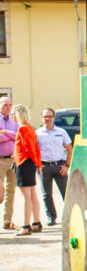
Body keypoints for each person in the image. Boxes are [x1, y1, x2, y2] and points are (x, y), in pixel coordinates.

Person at [36, 107, 73, 226]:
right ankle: (51, 217)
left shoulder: (61, 132)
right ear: (42, 118)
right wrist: (38, 166)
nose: (48, 118)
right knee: (46, 194)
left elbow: (69, 149)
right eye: (45, 116)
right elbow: (34, 151)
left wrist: (67, 165)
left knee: (66, 192)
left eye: (50, 116)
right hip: (44, 167)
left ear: (54, 117)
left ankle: (70, 216)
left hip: (59, 166)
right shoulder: (37, 134)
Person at [12, 104, 42, 236]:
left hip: (24, 163)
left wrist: (37, 163)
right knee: (33, 195)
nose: (12, 116)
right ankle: (36, 222)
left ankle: (26, 225)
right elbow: (35, 148)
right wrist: (38, 164)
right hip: (29, 163)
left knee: (26, 197)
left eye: (14, 113)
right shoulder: (30, 128)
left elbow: (30, 148)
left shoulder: (23, 129)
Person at [0, 95, 18, 230]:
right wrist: (11, 135)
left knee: (10, 191)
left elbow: (18, 136)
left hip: (13, 160)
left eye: (10, 104)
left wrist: (6, 133)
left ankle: (7, 220)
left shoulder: (13, 122)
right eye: (5, 104)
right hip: (0, 161)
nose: (8, 107)